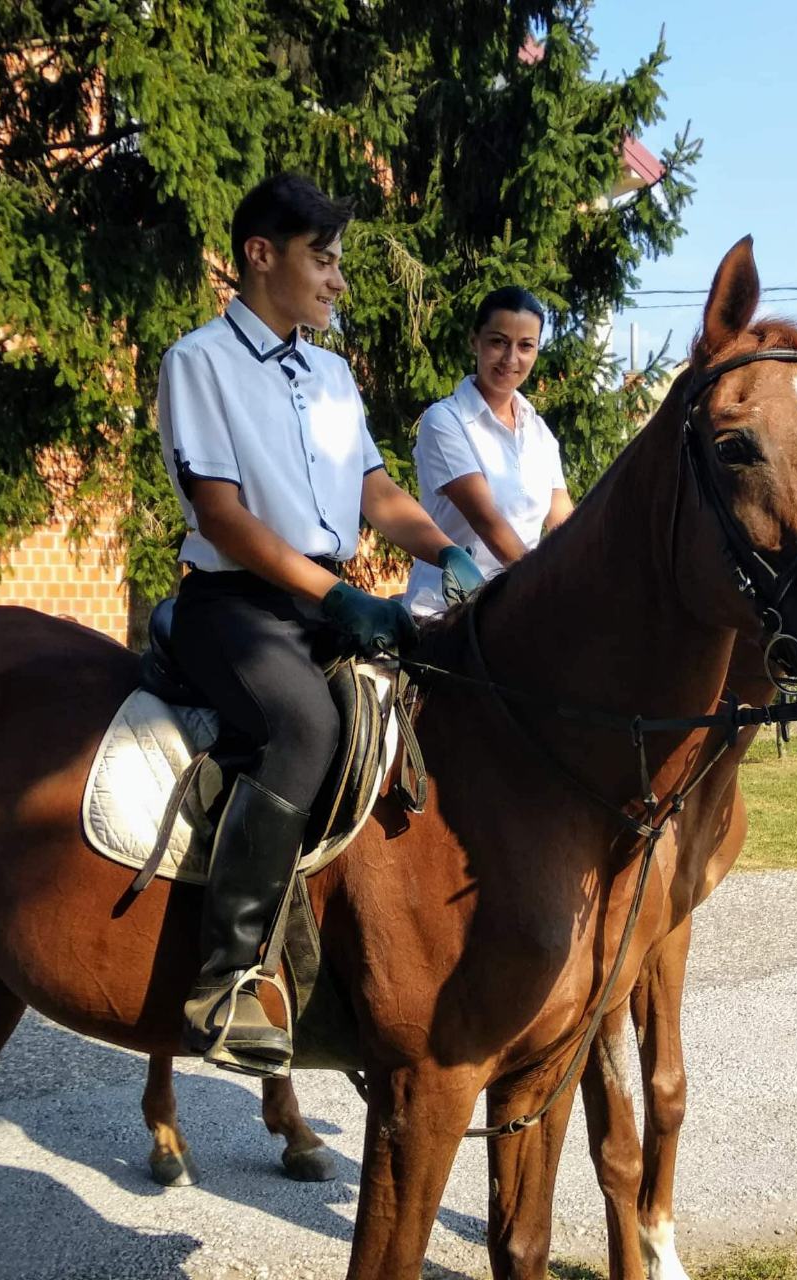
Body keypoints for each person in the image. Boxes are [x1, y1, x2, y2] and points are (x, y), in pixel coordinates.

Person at [157, 173, 482, 1078]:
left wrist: (450, 553)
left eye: (339, 262)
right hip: (232, 606)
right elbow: (222, 516)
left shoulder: (332, 375)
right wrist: (336, 599)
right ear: (262, 255)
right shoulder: (199, 362)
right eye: (324, 260)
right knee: (303, 726)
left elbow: (375, 491)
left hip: (321, 600)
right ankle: (224, 979)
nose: (339, 279)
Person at [403, 286, 573, 617]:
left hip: (515, 610)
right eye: (498, 342)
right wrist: (543, 587)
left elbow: (564, 522)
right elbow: (486, 519)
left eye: (525, 346)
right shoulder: (445, 421)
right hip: (446, 616)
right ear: (474, 341)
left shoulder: (539, 433)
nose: (511, 359)